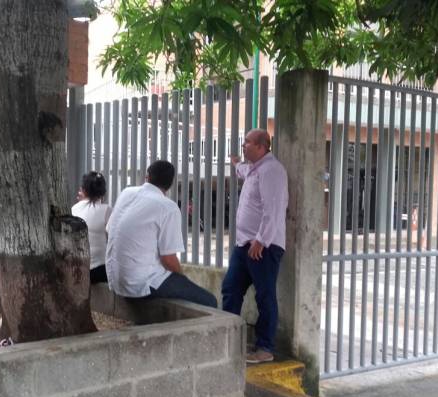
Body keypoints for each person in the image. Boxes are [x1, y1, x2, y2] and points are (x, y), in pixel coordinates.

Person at [106, 160, 217, 308]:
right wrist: (181, 279)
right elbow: (168, 259)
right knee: (210, 301)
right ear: (170, 184)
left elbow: (109, 230)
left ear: (147, 177)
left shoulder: (126, 193)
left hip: (115, 280)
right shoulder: (168, 207)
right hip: (140, 284)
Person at [222, 129, 288, 364]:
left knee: (264, 296)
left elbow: (274, 209)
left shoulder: (272, 171)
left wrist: (261, 240)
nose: (244, 145)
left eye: (248, 142)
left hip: (263, 246)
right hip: (244, 244)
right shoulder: (253, 169)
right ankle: (228, 341)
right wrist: (235, 163)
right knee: (231, 289)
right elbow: (242, 170)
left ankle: (265, 347)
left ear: (261, 146)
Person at [71, 171, 112, 284]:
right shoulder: (106, 210)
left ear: (83, 190)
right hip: (98, 270)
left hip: (77, 268)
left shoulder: (74, 209)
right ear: (103, 192)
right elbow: (114, 238)